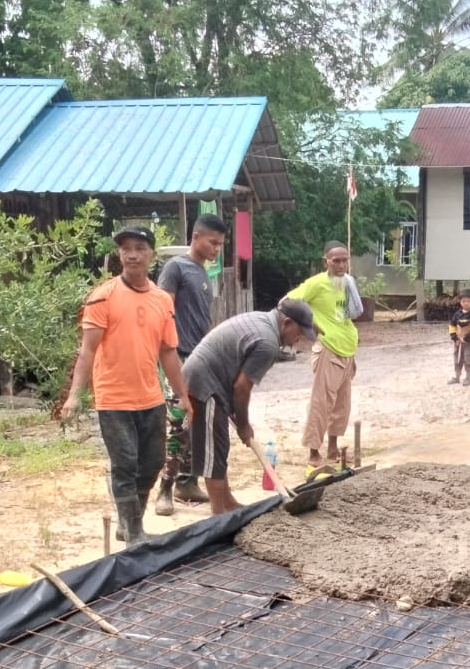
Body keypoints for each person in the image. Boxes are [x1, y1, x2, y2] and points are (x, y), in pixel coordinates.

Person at [60, 226, 190, 544]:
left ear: (151, 255)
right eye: (126, 248)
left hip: (150, 396)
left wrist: (184, 396)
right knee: (125, 464)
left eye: (139, 247)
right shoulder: (102, 296)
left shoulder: (161, 300)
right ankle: (134, 533)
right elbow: (87, 350)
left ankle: (128, 521)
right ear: (119, 254)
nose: (132, 254)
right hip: (114, 399)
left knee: (152, 463)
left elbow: (168, 351)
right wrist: (75, 395)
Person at [182, 300, 318, 514]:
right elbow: (242, 388)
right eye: (299, 333)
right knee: (213, 454)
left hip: (214, 381)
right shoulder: (268, 343)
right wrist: (244, 425)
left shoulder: (263, 320)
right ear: (287, 323)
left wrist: (238, 413)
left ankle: (228, 504)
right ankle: (218, 514)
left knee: (220, 446)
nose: (298, 340)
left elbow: (238, 381)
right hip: (204, 385)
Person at [155, 213, 229, 515]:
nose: (216, 249)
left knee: (196, 423)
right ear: (195, 237)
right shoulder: (176, 268)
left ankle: (188, 482)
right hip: (178, 357)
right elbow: (162, 312)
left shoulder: (202, 273)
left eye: (221, 244)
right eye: (213, 242)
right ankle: (164, 490)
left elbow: (200, 319)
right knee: (178, 424)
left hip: (200, 358)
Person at [288, 241, 363, 473]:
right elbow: (288, 302)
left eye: (345, 260)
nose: (341, 264)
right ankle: (313, 452)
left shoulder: (347, 283)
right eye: (336, 260)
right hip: (328, 350)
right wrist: (310, 325)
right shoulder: (317, 283)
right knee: (322, 403)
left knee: (342, 405)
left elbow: (351, 314)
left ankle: (333, 449)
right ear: (326, 262)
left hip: (347, 349)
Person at [448, 289, 470, 385]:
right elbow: (452, 326)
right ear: (460, 302)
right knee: (457, 358)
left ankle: (468, 378)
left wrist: (466, 339)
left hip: (467, 342)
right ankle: (457, 377)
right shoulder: (457, 314)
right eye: (463, 301)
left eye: (468, 301)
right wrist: (455, 338)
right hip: (458, 341)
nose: (466, 303)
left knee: (468, 358)